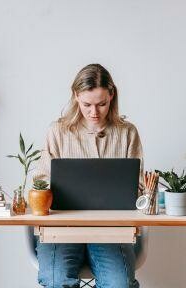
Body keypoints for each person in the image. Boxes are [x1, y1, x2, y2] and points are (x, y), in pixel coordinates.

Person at [33, 63, 143, 288]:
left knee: (119, 284)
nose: (94, 112)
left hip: (111, 233)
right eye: (87, 104)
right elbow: (40, 182)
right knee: (56, 281)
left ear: (111, 96)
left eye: (101, 104)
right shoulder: (58, 131)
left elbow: (139, 188)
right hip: (61, 231)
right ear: (75, 96)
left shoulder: (127, 133)